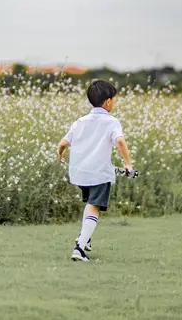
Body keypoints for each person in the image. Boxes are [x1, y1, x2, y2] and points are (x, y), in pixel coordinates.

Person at [56, 79, 133, 262]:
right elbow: (120, 142)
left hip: (80, 173)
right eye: (114, 99)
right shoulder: (111, 122)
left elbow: (63, 143)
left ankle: (86, 238)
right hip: (98, 173)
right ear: (107, 101)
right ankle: (79, 248)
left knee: (90, 204)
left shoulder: (80, 122)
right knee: (94, 207)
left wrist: (60, 156)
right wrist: (128, 164)